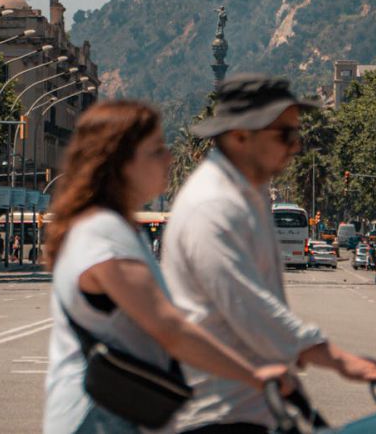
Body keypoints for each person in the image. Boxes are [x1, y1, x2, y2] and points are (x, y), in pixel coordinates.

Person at [43, 100, 291, 434]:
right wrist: (254, 375)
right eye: (156, 150)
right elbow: (169, 328)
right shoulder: (102, 231)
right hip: (98, 419)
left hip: (123, 415)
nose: (169, 158)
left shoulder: (123, 229)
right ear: (121, 162)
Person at [162, 75, 376, 434]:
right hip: (214, 415)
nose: (296, 146)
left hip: (253, 408)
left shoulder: (248, 194)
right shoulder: (213, 204)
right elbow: (247, 305)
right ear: (239, 136)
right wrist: (335, 358)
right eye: (284, 134)